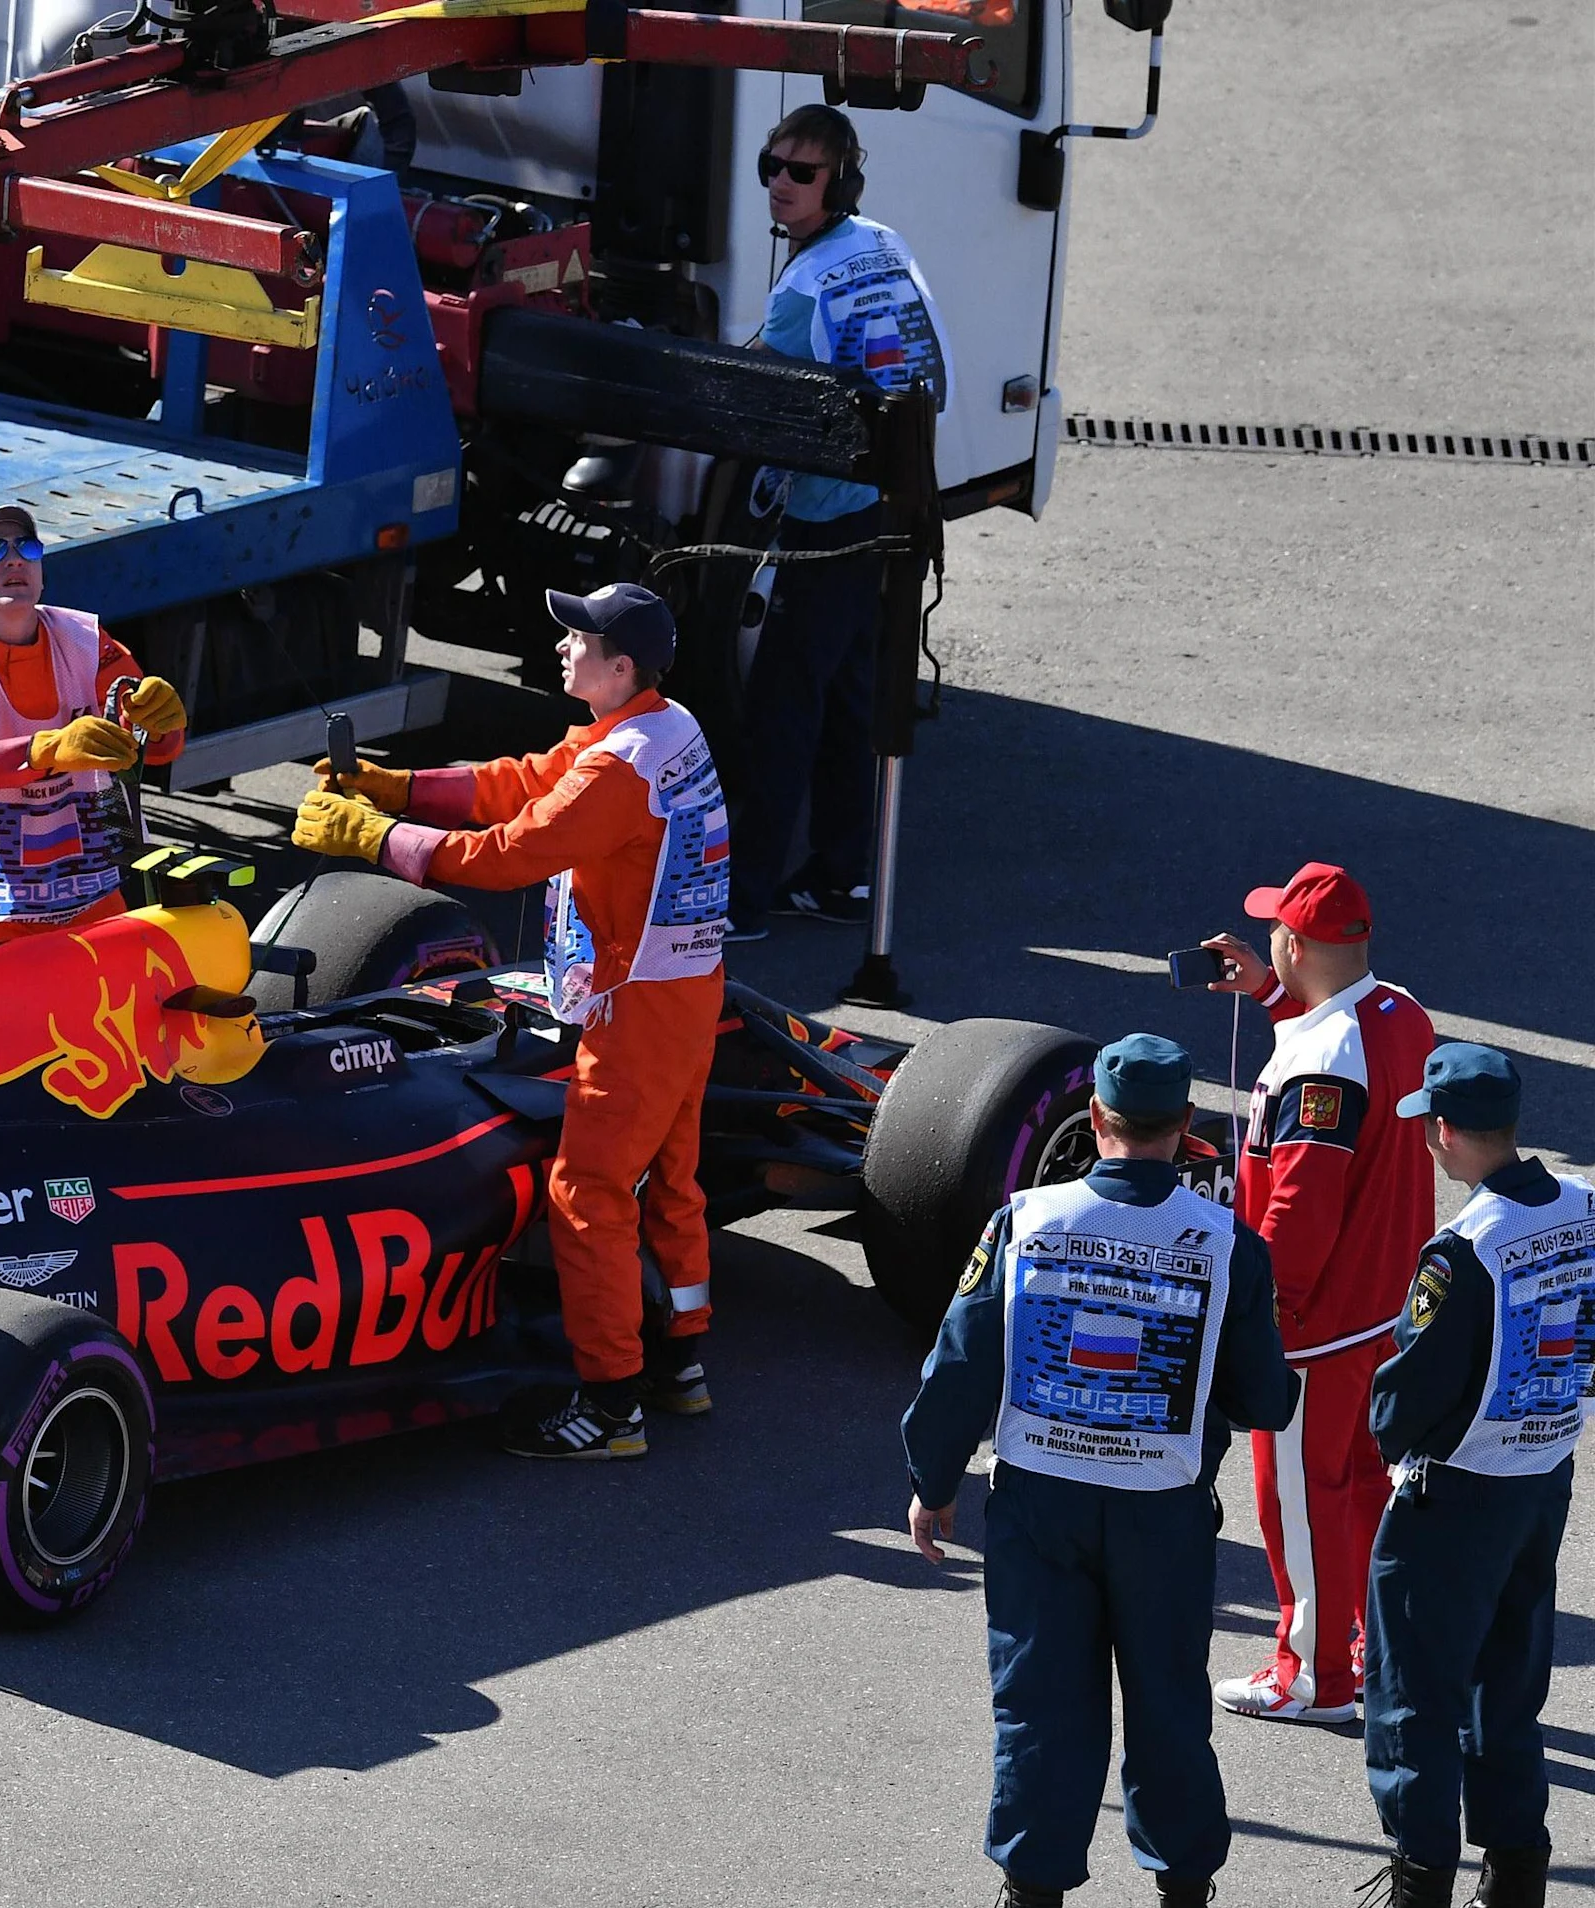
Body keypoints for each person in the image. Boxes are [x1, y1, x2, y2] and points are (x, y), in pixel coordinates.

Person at [291, 581, 724, 1456]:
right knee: (671, 1177)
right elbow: (525, 782)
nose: (562, 645)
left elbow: (507, 855)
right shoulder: (660, 727)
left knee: (586, 1193)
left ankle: (612, 1408)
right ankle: (680, 1364)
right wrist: (398, 786)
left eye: (579, 640)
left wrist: (372, 836)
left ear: (621, 667)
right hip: (684, 992)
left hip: (639, 1009)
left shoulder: (619, 768)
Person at [902, 1035, 1299, 1908]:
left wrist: (933, 1480)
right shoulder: (1226, 1241)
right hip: (1164, 1512)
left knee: (1041, 1704)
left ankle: (1032, 1889)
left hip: (1040, 1507)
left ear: (1094, 1118)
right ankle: (1183, 1888)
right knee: (1169, 1707)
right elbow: (1264, 1400)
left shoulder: (1024, 1220)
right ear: (1186, 1123)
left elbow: (961, 1363)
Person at [1196, 862, 1437, 1724]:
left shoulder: (1320, 1064)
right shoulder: (1401, 1012)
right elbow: (1343, 1063)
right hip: (1386, 1307)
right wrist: (1270, 996)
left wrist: (1265, 1314)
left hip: (1315, 1326)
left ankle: (1313, 1678)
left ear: (1295, 944)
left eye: (1274, 932)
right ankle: (1367, 1645)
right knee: (1363, 1485)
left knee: (1297, 1500)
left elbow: (1300, 1204)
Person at [1354, 1045, 1586, 1908]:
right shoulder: (1585, 1207)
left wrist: (1388, 1435)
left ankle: (1420, 1880)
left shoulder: (1465, 1248)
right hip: (1543, 1472)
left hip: (1456, 1490)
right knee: (1509, 1682)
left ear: (1444, 1131)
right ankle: (1516, 1870)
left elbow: (1410, 1388)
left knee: (1414, 1694)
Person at [726, 102, 949, 940]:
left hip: (828, 519)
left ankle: (743, 901)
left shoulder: (804, 284)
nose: (780, 184)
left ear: (840, 182)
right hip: (897, 505)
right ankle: (842, 876)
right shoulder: (882, 242)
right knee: (853, 696)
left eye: (801, 172)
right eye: (772, 166)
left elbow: (750, 391)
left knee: (782, 710)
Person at [0, 504, 186, 957]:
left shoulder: (87, 641)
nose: (14, 559)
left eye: (27, 548)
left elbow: (157, 747)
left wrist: (161, 721)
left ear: (42, 573)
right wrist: (45, 750)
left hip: (88, 897)